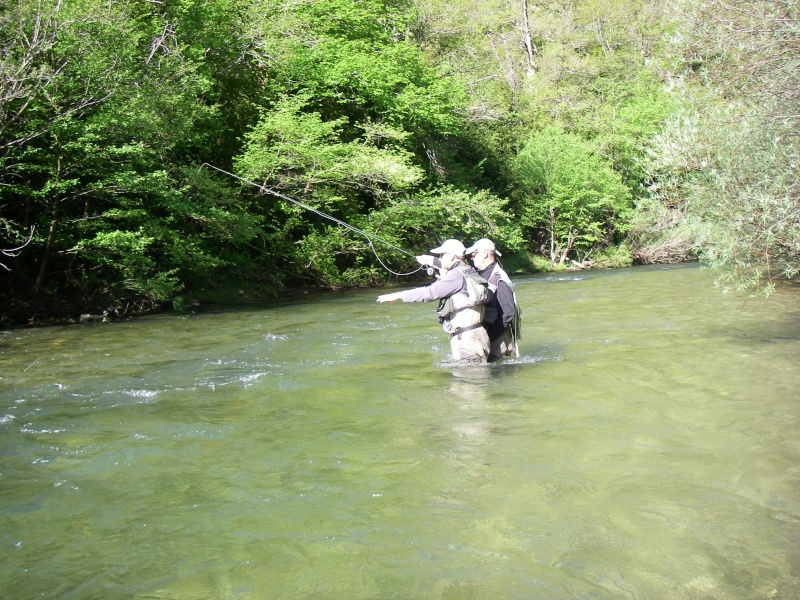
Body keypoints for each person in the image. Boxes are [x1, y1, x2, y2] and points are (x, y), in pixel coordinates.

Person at [377, 239, 491, 363]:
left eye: (441, 255)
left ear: (451, 256)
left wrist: (399, 295)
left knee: (469, 380)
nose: (439, 258)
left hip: (466, 340)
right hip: (478, 335)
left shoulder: (455, 275)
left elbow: (430, 292)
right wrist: (430, 260)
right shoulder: (468, 270)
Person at [465, 238, 517, 361]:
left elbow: (508, 314)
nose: (471, 258)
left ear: (484, 254)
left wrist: (487, 337)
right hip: (484, 337)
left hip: (496, 341)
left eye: (473, 254)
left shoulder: (499, 278)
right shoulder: (480, 274)